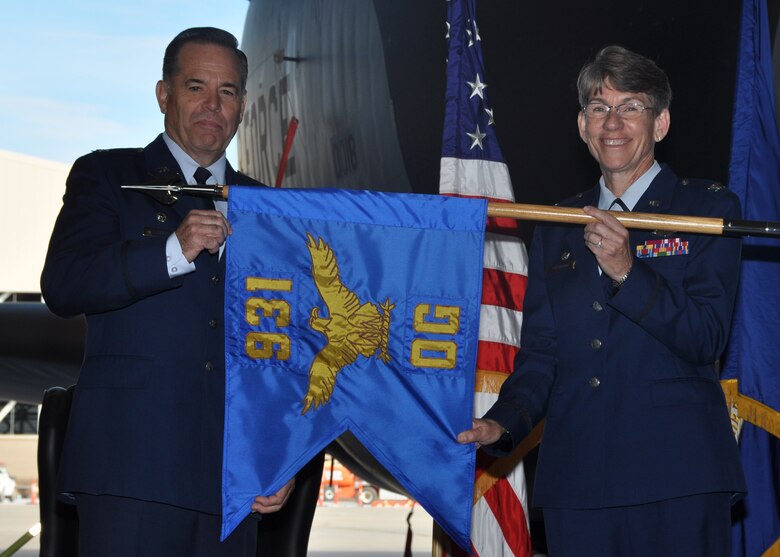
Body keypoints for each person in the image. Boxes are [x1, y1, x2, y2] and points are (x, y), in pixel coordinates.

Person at [458, 45, 746, 556]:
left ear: (660, 124)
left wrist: (628, 272)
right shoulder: (559, 222)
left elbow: (706, 337)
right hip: (579, 482)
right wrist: (502, 422)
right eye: (598, 108)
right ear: (582, 126)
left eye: (631, 106)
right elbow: (543, 352)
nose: (613, 122)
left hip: (676, 477)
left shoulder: (707, 207)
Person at [41, 27, 296, 556]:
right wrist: (170, 253)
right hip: (131, 470)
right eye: (196, 86)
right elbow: (64, 285)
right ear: (164, 94)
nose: (212, 104)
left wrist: (280, 454)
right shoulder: (106, 175)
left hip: (236, 480)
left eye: (227, 92)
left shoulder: (270, 207)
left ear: (243, 105)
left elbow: (284, 346)